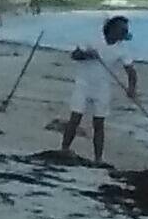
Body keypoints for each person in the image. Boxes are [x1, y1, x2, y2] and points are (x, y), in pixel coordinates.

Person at [57, 14, 137, 164]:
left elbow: (131, 71)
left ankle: (98, 158)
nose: (124, 34)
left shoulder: (122, 49)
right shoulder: (93, 39)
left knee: (99, 123)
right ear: (113, 29)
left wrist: (131, 89)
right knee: (75, 118)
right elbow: (74, 55)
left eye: (125, 31)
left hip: (102, 88)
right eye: (122, 30)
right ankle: (64, 149)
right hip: (83, 84)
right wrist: (87, 55)